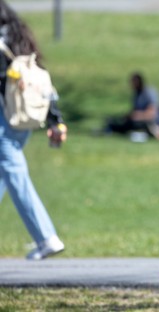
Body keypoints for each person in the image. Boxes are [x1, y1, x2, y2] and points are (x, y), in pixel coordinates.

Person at [0, 0, 67, 260]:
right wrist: (55, 120)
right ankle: (45, 237)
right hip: (24, 120)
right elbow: (42, 82)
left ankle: (45, 236)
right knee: (5, 174)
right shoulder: (20, 40)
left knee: (14, 173)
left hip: (5, 121)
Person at [105, 72, 159, 140]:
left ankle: (152, 131)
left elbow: (151, 113)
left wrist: (137, 115)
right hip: (137, 120)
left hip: (150, 121)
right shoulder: (136, 94)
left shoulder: (149, 92)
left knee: (131, 125)